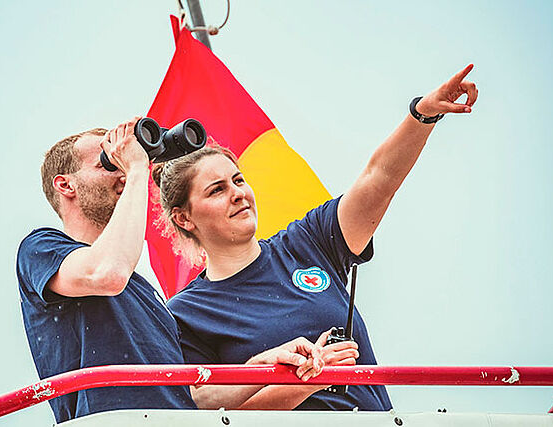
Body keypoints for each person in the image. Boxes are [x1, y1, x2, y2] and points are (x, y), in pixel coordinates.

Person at [156, 65, 479, 410]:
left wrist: (423, 114)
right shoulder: (185, 315)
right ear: (183, 218)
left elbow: (378, 180)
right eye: (217, 190)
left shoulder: (307, 242)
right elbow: (210, 415)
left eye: (238, 180)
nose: (238, 194)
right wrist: (307, 380)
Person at [16, 118, 341, 422]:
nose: (122, 173)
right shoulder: (42, 248)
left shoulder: (146, 297)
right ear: (65, 185)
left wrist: (260, 367)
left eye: (121, 162)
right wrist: (137, 167)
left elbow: (188, 399)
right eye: (108, 163)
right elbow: (107, 273)